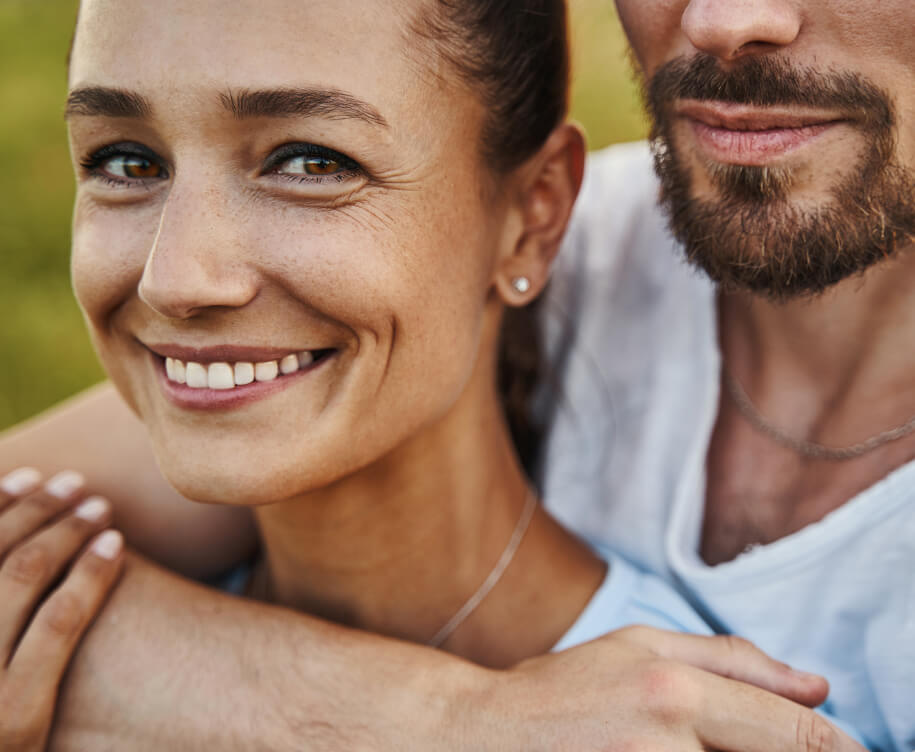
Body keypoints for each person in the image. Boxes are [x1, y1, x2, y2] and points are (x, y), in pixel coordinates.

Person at [2, 0, 910, 750]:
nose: (179, 280)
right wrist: (445, 720)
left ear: (531, 220)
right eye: (123, 160)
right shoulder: (623, 237)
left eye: (313, 163)